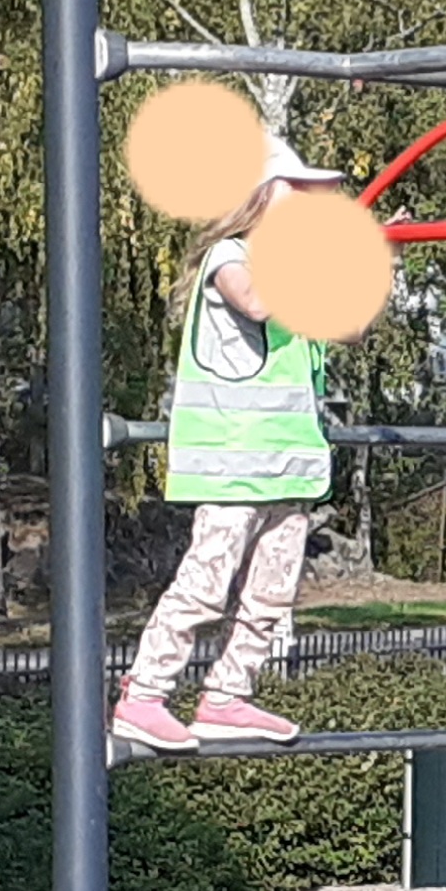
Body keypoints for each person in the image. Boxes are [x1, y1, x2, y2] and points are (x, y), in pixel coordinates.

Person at [115, 135, 349, 752]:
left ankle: (228, 693)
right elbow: (257, 301)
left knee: (272, 592)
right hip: (234, 462)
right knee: (206, 582)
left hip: (289, 464)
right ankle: (144, 693)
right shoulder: (231, 256)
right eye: (294, 189)